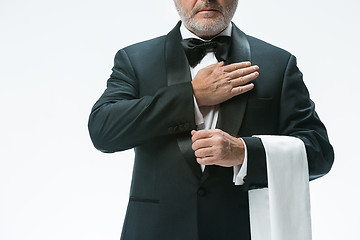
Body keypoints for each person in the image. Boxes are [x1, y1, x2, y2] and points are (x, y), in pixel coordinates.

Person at [88, 0, 334, 239]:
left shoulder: (279, 64)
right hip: (155, 230)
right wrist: (192, 95)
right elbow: (103, 130)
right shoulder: (135, 59)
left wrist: (243, 152)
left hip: (244, 231)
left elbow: (319, 153)